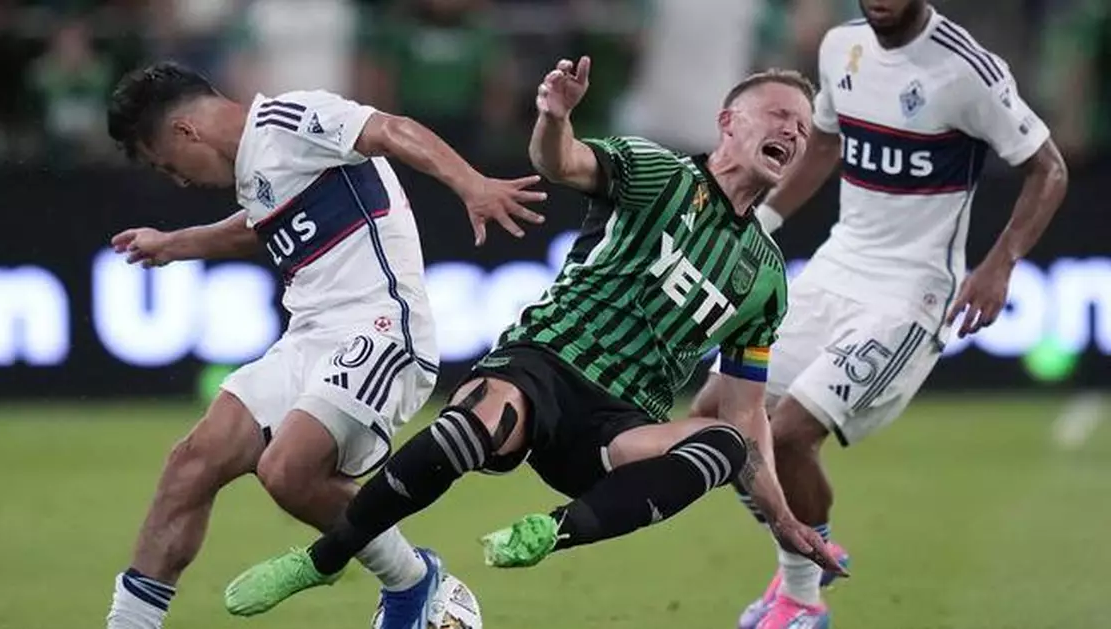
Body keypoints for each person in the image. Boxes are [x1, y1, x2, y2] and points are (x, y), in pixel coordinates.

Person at [221, 56, 848, 619]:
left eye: (801, 126)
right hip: (546, 361)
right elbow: (563, 162)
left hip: (619, 427)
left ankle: (552, 532)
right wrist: (554, 117)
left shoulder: (767, 278)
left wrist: (784, 519)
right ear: (728, 122)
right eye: (777, 114)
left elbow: (744, 411)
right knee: (478, 426)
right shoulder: (662, 174)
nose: (794, 131)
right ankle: (324, 559)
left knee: (726, 444)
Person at [101, 61, 547, 629]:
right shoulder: (258, 169)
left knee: (286, 472)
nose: (179, 181)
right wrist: (175, 244)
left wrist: (472, 184)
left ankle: (412, 578)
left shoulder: (287, 119)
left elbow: (390, 130)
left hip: (382, 327)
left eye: (169, 166)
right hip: (309, 336)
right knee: (191, 463)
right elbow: (260, 224)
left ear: (185, 132)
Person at [690, 2, 1069, 628]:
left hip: (909, 295)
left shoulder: (966, 69)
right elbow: (826, 146)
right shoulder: (841, 49)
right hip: (837, 267)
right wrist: (756, 221)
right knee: (713, 418)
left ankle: (802, 597)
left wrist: (1001, 263)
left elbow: (1047, 167)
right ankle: (808, 547)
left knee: (784, 434)